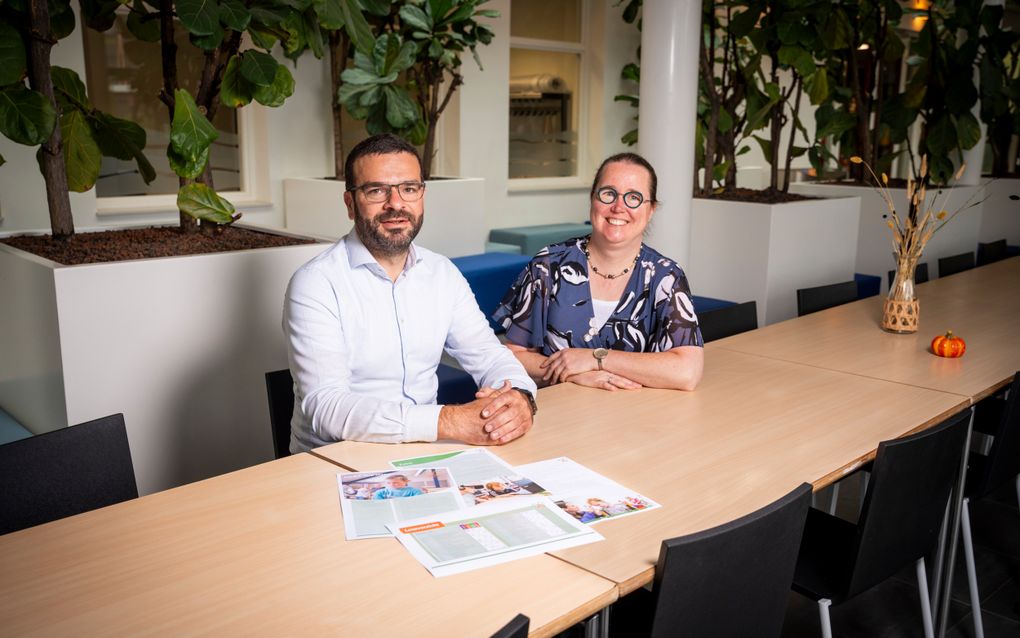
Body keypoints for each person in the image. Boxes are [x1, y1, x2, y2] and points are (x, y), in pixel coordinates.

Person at [284, 134, 538, 453]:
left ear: (422, 195)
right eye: (376, 190)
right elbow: (326, 407)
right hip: (335, 459)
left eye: (408, 188)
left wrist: (519, 397)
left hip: (422, 451)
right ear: (350, 204)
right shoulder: (316, 283)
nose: (396, 204)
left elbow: (489, 355)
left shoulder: (441, 272)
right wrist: (449, 421)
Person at [492, 152, 704, 391]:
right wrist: (570, 375)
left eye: (634, 197)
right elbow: (514, 355)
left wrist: (596, 358)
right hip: (559, 408)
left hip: (638, 411)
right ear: (592, 198)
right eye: (608, 193)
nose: (618, 207)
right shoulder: (548, 265)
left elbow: (687, 372)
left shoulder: (666, 277)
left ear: (651, 209)